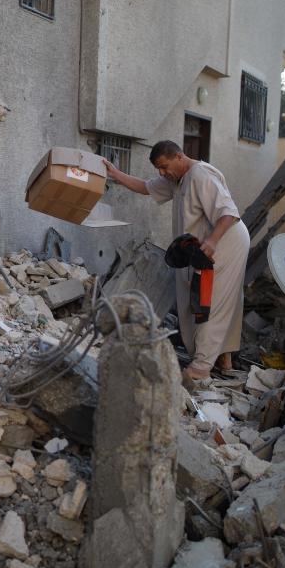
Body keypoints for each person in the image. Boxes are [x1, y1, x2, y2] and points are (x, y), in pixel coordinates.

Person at [103, 141, 250, 388]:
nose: (162, 173)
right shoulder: (177, 178)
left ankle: (201, 367)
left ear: (179, 157)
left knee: (208, 300)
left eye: (164, 167)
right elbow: (144, 187)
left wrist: (213, 241)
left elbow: (229, 212)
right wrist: (114, 172)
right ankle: (224, 361)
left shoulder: (200, 175)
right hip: (205, 245)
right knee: (216, 298)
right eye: (159, 169)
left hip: (226, 241)